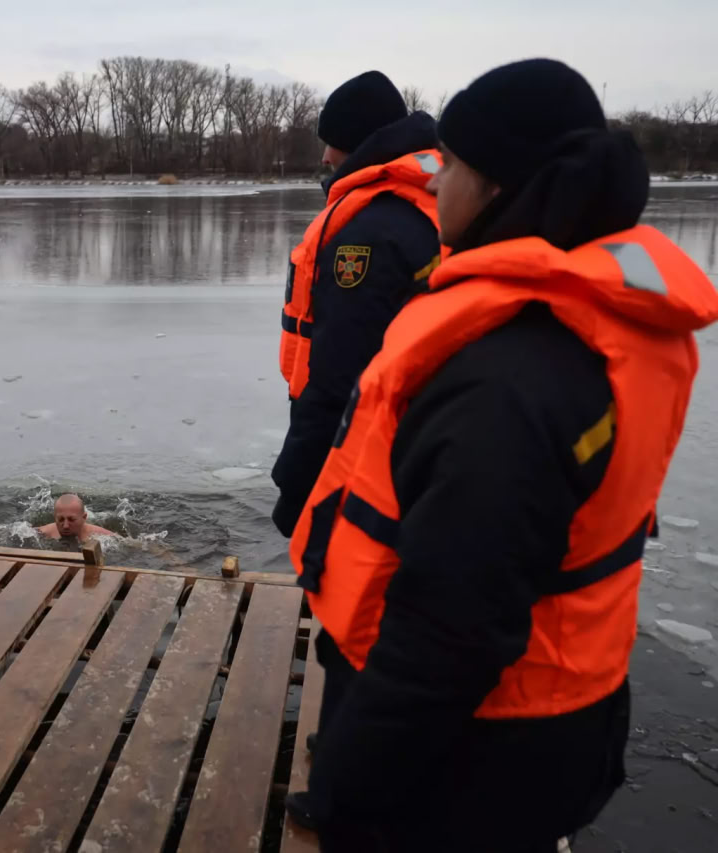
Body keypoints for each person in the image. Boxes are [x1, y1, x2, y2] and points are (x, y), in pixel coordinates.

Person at [284, 59, 718, 850]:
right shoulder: (587, 322)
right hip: (552, 709)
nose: (433, 181)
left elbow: (449, 635)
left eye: (448, 164)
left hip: (480, 748)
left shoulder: (511, 375)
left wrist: (350, 781)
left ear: (496, 186)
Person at [271, 70, 442, 537]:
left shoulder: (368, 231)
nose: (325, 156)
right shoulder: (432, 200)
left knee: (358, 593)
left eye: (333, 142)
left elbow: (340, 372)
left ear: (359, 141)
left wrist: (297, 483)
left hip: (369, 454)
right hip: (429, 447)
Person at [36, 494, 113, 541]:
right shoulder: (43, 533)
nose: (66, 526)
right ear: (54, 517)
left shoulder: (102, 537)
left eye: (71, 520)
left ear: (84, 517)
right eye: (60, 519)